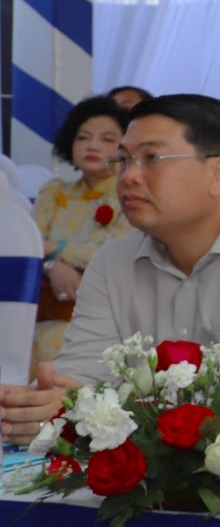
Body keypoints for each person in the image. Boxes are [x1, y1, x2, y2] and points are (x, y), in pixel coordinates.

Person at [0, 94, 220, 444]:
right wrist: (44, 406)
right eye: (124, 159)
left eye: (152, 158)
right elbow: (82, 371)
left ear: (218, 173)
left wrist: (86, 406)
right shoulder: (111, 262)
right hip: (146, 466)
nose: (128, 176)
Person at [30, 96, 134, 362]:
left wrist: (53, 249)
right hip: (46, 311)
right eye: (83, 137)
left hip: (110, 317)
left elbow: (116, 251)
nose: (92, 146)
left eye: (107, 139)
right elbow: (29, 246)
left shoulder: (133, 195)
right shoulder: (54, 192)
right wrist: (52, 266)